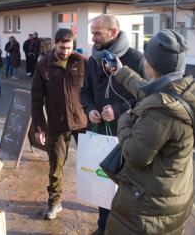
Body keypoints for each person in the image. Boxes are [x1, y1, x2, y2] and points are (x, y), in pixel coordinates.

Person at [104, 29, 195, 235]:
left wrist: (125, 119)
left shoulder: (161, 111)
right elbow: (147, 90)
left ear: (150, 65)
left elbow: (134, 155)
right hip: (174, 194)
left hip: (148, 209)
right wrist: (121, 72)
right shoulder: (182, 90)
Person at [80, 14, 144, 235]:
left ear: (114, 32)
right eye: (93, 32)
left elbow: (146, 97)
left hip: (128, 135)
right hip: (100, 132)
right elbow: (85, 91)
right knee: (103, 184)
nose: (93, 37)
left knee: (126, 188)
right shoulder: (93, 59)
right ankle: (103, 227)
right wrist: (90, 110)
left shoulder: (136, 59)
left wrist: (116, 110)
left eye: (98, 33)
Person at [31, 28, 87, 220]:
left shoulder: (82, 62)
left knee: (94, 163)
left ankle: (101, 200)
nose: (65, 51)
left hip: (82, 123)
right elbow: (36, 100)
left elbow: (94, 91)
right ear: (55, 44)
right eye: (62, 47)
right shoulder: (43, 66)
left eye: (69, 47)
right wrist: (39, 127)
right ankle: (54, 203)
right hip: (56, 124)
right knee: (55, 167)